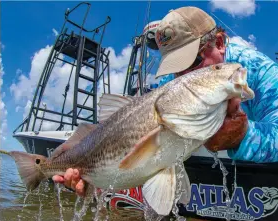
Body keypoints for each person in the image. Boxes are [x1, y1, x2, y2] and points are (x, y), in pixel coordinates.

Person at [53, 6, 278, 196]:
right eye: (176, 67)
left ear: (219, 43)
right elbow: (132, 141)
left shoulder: (262, 71)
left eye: (192, 62)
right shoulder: (174, 83)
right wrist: (101, 180)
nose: (182, 75)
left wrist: (243, 136)